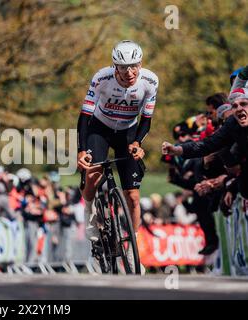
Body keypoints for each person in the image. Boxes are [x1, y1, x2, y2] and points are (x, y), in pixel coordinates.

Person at [76, 40, 158, 260]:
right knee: (92, 174)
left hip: (128, 132)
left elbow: (147, 119)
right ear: (115, 66)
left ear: (140, 64)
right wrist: (82, 150)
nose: (129, 72)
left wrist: (138, 143)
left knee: (132, 195)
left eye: (134, 66)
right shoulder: (101, 78)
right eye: (123, 67)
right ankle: (90, 210)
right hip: (99, 129)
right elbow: (84, 116)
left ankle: (133, 246)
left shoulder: (150, 81)